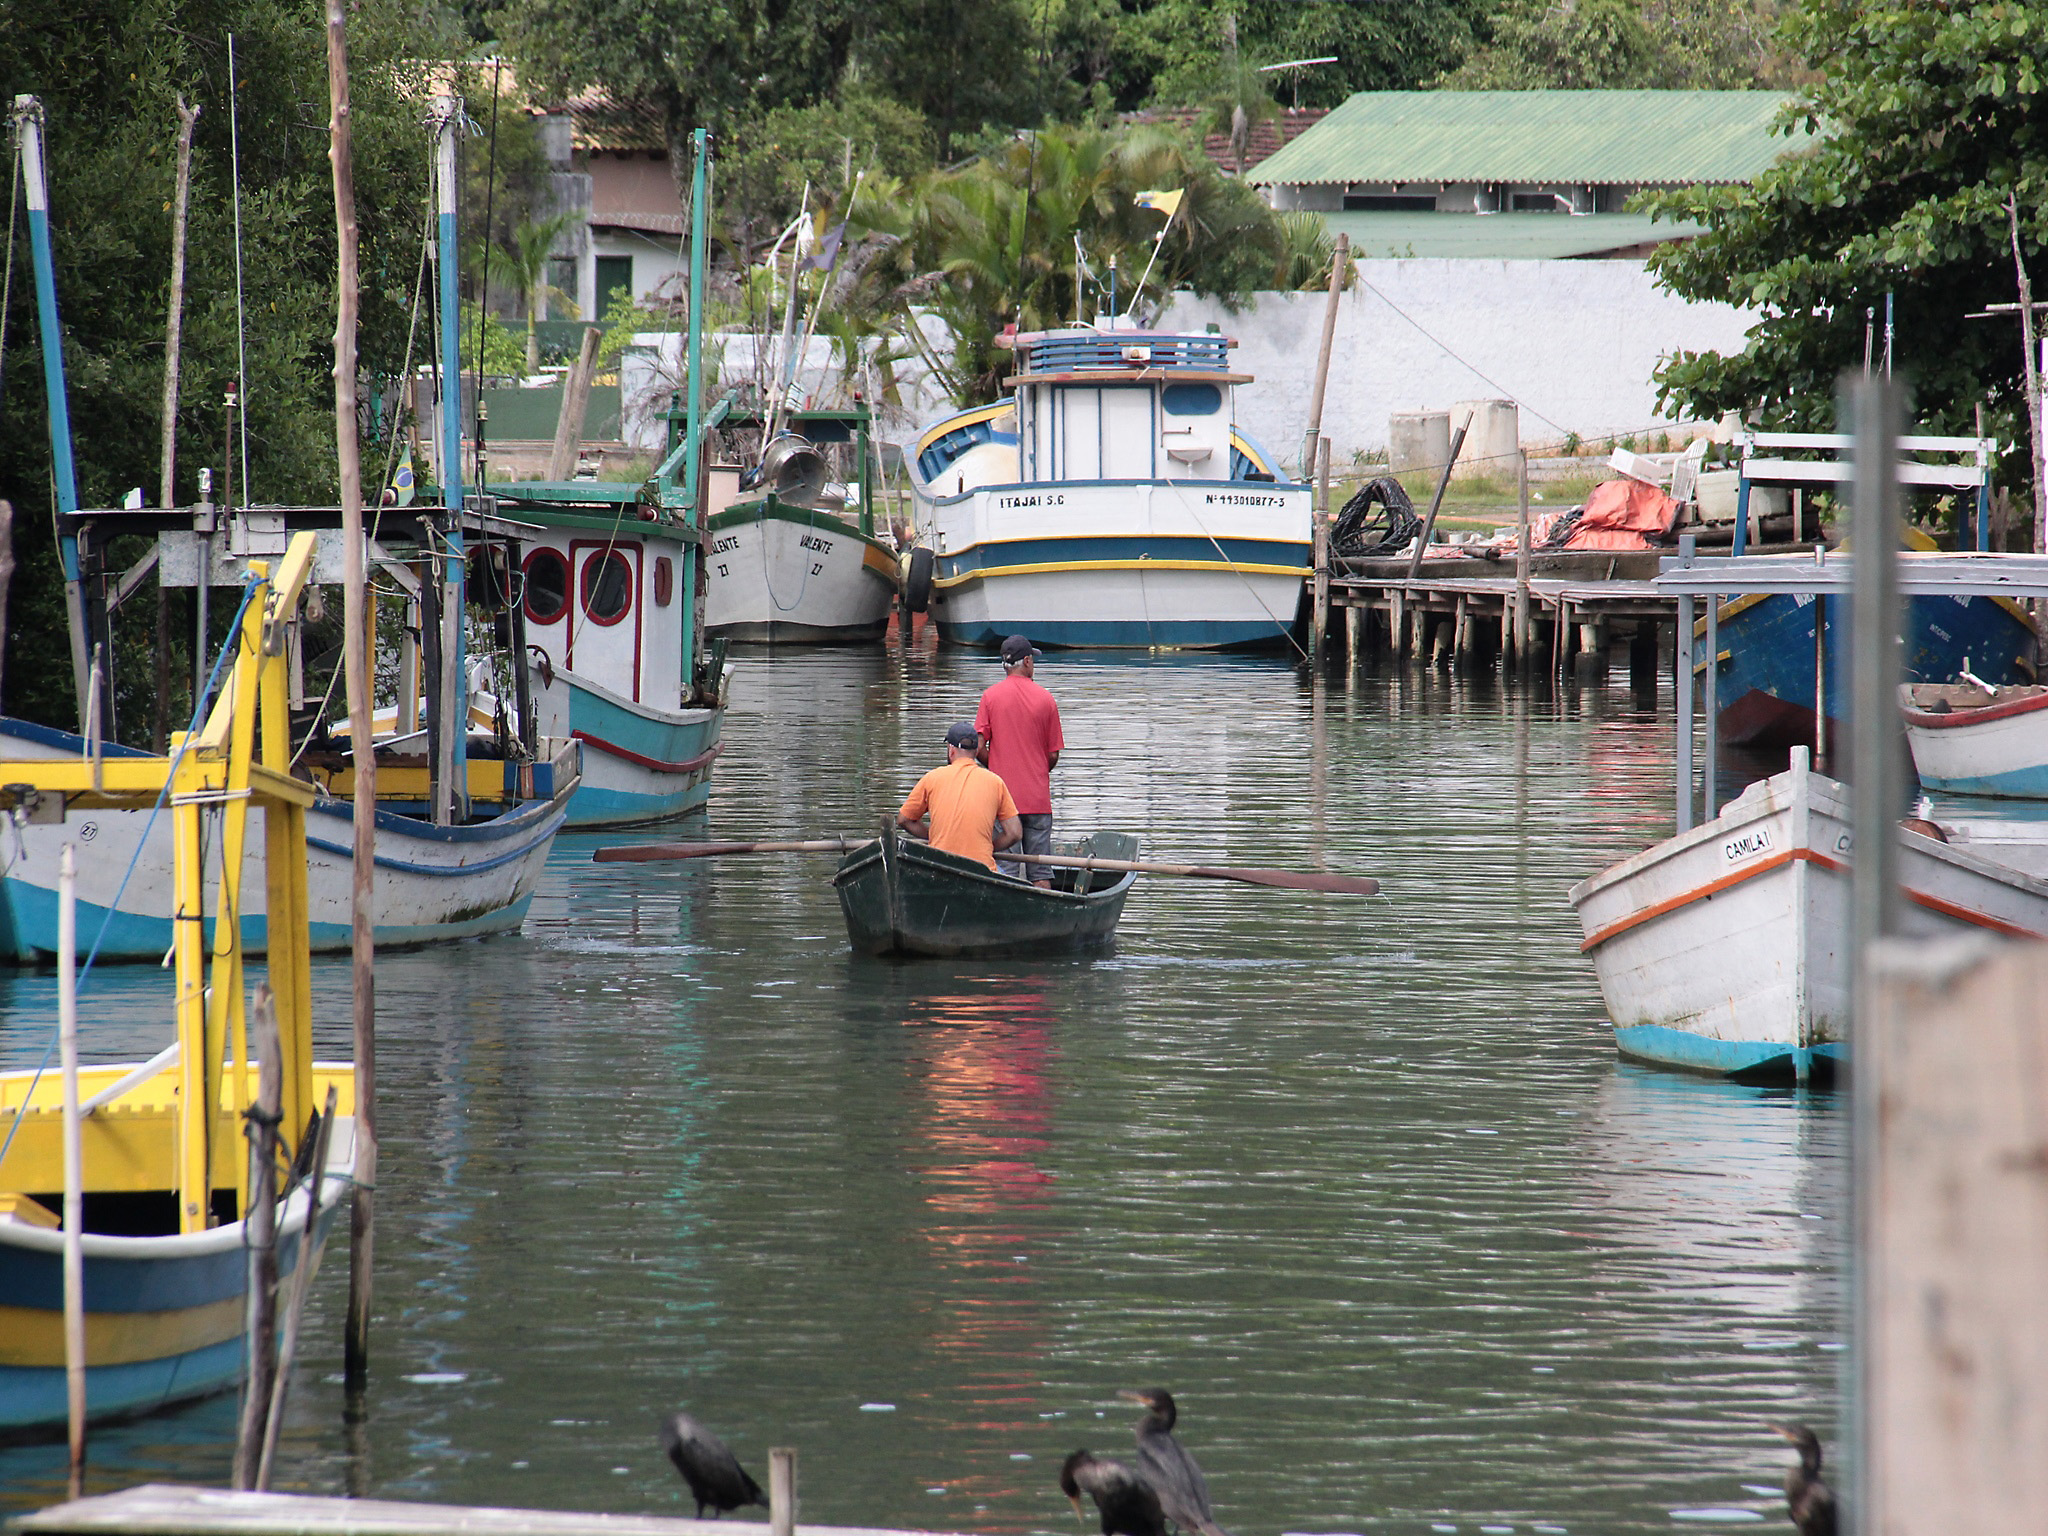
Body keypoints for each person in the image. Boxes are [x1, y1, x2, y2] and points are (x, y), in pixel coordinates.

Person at [975, 634, 1064, 885]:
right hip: (1037, 800)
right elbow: (1053, 754)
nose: (1033, 665)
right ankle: (1045, 917)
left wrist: (997, 765)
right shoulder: (1046, 699)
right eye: (1032, 660)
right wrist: (1036, 769)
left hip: (1004, 801)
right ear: (1026, 661)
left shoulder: (990, 697)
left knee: (1005, 869)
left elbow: (978, 746)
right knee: (1041, 871)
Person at [897, 722, 1022, 873]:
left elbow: (903, 820)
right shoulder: (996, 782)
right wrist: (990, 846)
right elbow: (1015, 833)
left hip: (939, 867)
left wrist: (934, 837)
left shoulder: (932, 778)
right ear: (976, 752)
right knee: (1002, 873)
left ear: (951, 750)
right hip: (981, 869)